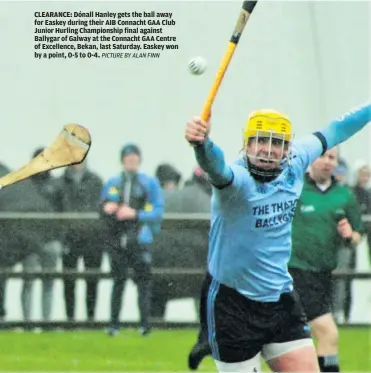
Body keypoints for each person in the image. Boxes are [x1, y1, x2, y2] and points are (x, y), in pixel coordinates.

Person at [184, 103, 371, 373]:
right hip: (232, 305)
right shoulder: (237, 180)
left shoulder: (297, 159)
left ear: (288, 148)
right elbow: (215, 167)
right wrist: (202, 144)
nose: (268, 150)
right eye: (260, 141)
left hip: (280, 299)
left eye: (277, 143)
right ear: (246, 144)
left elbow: (339, 128)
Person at [288, 146, 363, 372]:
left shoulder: (345, 196)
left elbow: (357, 235)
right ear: (311, 159)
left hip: (322, 276)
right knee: (328, 333)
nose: (327, 161)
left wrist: (350, 235)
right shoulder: (294, 187)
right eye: (322, 156)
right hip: (294, 272)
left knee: (292, 340)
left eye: (332, 157)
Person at [101, 143, 164, 336]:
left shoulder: (149, 183)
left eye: (135, 159)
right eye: (128, 159)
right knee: (118, 281)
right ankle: (113, 325)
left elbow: (157, 212)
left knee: (143, 283)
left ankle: (145, 325)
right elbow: (102, 205)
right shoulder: (113, 183)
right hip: (117, 239)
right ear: (122, 161)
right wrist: (106, 208)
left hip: (140, 239)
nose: (131, 162)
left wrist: (135, 214)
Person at [58, 159, 104, 322]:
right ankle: (70, 318)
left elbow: (102, 208)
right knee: (69, 280)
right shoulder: (60, 182)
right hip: (69, 237)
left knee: (92, 279)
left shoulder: (96, 181)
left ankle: (90, 318)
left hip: (92, 237)